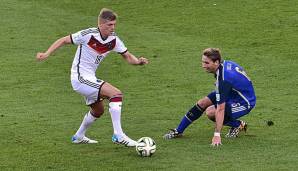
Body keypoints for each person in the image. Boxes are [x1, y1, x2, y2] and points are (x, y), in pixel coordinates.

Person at [36, 8, 149, 146]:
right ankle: (119, 135)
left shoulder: (114, 40)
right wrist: (47, 54)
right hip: (80, 78)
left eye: (114, 24)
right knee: (116, 94)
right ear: (101, 24)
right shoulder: (88, 34)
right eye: (109, 25)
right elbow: (64, 40)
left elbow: (127, 55)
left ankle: (78, 136)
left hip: (89, 78)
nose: (113, 28)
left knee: (98, 110)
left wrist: (138, 62)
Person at [163, 48, 256, 146]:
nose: (203, 66)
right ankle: (179, 131)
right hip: (232, 92)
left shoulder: (224, 79)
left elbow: (220, 109)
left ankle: (237, 125)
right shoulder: (224, 64)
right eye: (203, 62)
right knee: (202, 103)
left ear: (216, 62)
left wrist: (217, 135)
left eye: (206, 63)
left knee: (211, 112)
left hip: (245, 102)